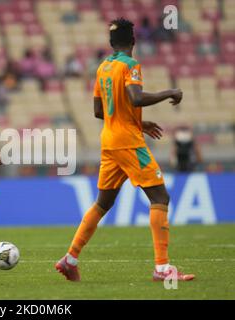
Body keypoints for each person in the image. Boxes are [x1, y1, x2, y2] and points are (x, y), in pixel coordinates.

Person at [56, 18, 195, 282]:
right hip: (128, 143)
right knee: (160, 198)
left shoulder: (103, 67)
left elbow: (100, 111)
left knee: (103, 202)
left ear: (111, 43)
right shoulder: (131, 65)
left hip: (109, 140)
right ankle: (162, 269)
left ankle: (70, 259)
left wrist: (138, 122)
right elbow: (135, 98)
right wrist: (170, 92)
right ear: (134, 41)